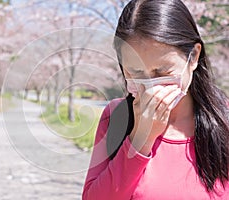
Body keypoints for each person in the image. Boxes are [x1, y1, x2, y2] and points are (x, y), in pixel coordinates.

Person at [82, 0, 229, 199]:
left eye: (162, 71)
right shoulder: (116, 117)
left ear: (193, 57)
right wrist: (140, 138)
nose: (150, 86)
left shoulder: (224, 118)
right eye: (136, 72)